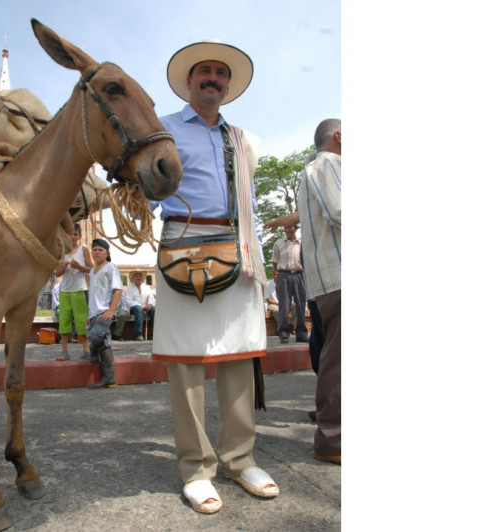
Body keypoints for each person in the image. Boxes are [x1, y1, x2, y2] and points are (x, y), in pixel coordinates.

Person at [149, 39, 279, 516]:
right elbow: (142, 193)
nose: (212, 78)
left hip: (239, 247)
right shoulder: (160, 130)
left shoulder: (245, 140)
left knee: (239, 358)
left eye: (220, 74)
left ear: (228, 86)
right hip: (182, 245)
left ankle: (240, 459)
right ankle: (196, 468)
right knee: (185, 363)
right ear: (189, 82)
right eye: (204, 71)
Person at [297, 119, 341, 464]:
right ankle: (333, 439)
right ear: (339, 136)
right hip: (340, 277)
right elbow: (341, 210)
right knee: (339, 361)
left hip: (331, 278)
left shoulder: (318, 167)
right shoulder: (329, 164)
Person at [85, 239, 123, 389]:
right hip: (94, 313)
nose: (97, 252)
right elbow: (92, 295)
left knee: (94, 337)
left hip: (105, 312)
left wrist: (111, 310)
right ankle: (110, 379)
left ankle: (94, 355)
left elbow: (118, 290)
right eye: (94, 249)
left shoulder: (110, 267)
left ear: (107, 253)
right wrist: (89, 315)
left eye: (100, 250)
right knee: (104, 341)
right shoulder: (92, 272)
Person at [54, 223, 91, 361]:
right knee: (64, 321)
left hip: (80, 290)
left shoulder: (84, 250)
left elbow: (92, 269)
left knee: (82, 320)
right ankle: (64, 351)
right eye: (70, 234)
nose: (72, 237)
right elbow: (57, 273)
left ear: (80, 236)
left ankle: (86, 350)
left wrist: (79, 267)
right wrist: (63, 267)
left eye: (75, 234)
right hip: (65, 291)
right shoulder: (61, 251)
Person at [271, 225, 309, 343]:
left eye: (290, 227)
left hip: (299, 275)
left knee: (301, 305)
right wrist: (278, 275)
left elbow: (306, 259)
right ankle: (283, 333)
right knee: (284, 306)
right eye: (285, 228)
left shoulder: (302, 243)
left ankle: (301, 333)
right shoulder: (279, 243)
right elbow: (274, 262)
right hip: (283, 276)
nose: (287, 230)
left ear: (296, 228)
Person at [113, 271, 156, 341]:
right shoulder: (130, 288)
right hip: (134, 308)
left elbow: (151, 297)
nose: (138, 277)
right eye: (136, 276)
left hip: (146, 306)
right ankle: (138, 334)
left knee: (154, 309)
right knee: (139, 309)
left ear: (142, 278)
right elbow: (129, 301)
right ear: (133, 278)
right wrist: (142, 306)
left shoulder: (146, 287)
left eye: (140, 276)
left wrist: (149, 304)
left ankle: (155, 331)